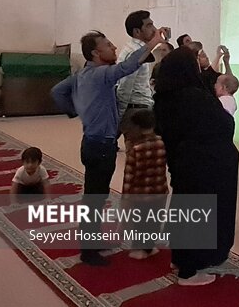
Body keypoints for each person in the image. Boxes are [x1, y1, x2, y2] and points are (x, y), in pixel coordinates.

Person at [51, 28, 166, 266]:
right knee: (94, 197)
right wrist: (152, 43)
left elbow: (57, 91)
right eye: (108, 44)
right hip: (100, 145)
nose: (113, 47)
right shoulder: (101, 74)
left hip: (93, 142)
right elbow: (127, 67)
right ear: (95, 52)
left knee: (95, 195)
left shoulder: (84, 74)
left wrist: (74, 110)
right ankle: (88, 250)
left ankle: (91, 241)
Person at [153, 47, 239, 286]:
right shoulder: (194, 97)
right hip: (203, 165)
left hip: (181, 162)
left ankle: (180, 258)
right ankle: (189, 271)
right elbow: (224, 124)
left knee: (185, 209)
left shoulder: (164, 97)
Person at [120, 109, 168, 260]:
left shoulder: (136, 149)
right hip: (160, 190)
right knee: (154, 219)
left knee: (140, 222)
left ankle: (139, 248)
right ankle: (150, 246)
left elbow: (129, 176)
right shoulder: (162, 142)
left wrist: (125, 199)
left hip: (140, 194)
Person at [116, 10, 170, 119]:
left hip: (139, 107)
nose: (154, 29)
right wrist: (120, 114)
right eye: (149, 26)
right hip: (136, 109)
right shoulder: (134, 52)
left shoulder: (140, 48)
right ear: (137, 31)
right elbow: (125, 85)